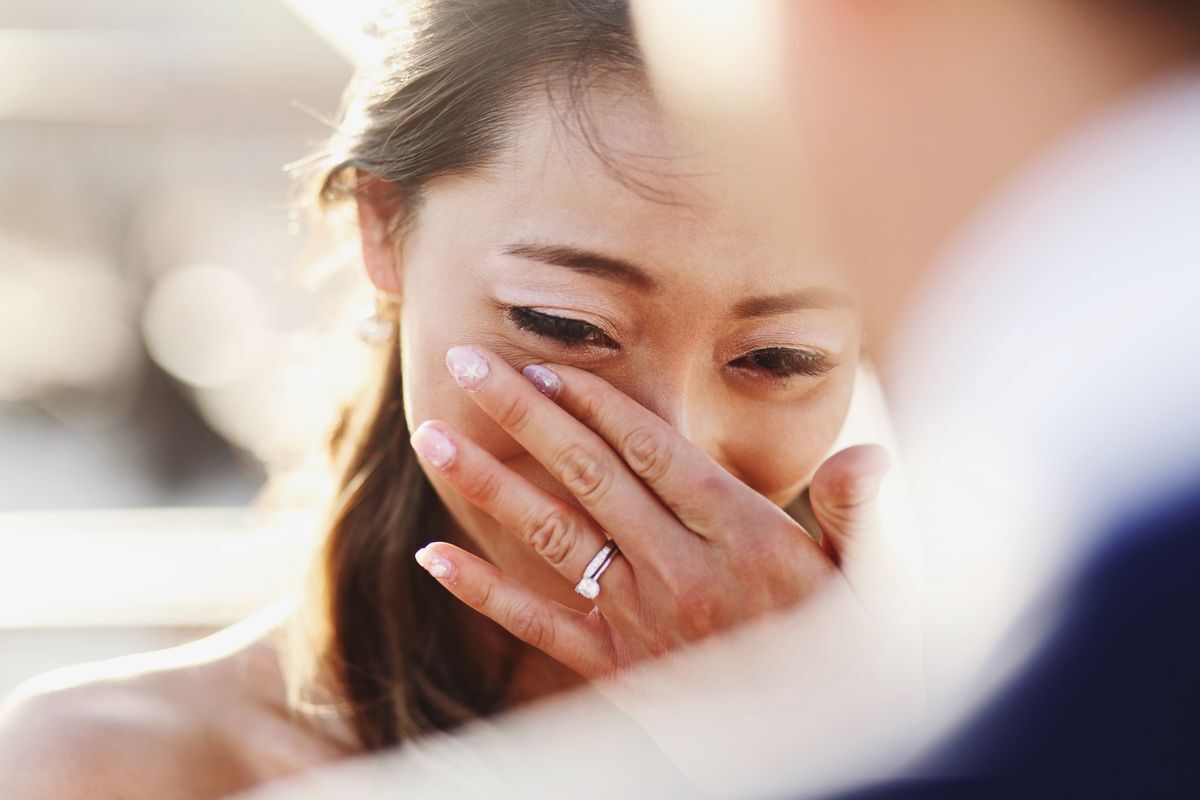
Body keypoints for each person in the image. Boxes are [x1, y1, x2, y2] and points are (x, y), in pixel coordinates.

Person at [0, 1, 898, 797]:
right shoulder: (112, 773)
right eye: (564, 324)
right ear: (382, 228)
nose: (670, 447)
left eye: (779, 358)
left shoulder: (950, 725)